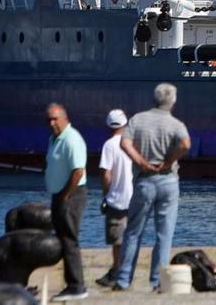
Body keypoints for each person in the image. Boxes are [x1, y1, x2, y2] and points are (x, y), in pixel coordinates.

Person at [113, 83, 191, 293]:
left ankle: (123, 280)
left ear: (153, 98)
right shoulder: (176, 124)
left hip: (144, 180)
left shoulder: (138, 120)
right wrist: (167, 162)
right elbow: (185, 144)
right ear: (172, 101)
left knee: (133, 232)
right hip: (168, 181)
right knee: (164, 234)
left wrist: (141, 162)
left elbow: (124, 143)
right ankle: (157, 281)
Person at [44, 103, 88, 302]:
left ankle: (77, 286)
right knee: (63, 239)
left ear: (65, 118)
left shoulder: (71, 139)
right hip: (60, 195)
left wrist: (65, 196)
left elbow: (78, 170)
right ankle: (71, 282)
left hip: (71, 195)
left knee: (69, 240)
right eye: (48, 120)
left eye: (55, 118)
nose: (51, 123)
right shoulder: (55, 139)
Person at [94, 109, 133, 288]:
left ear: (108, 126)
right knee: (131, 237)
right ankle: (126, 271)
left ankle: (117, 272)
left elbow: (106, 174)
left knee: (117, 241)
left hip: (116, 199)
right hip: (135, 198)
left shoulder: (109, 145)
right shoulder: (134, 141)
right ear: (125, 123)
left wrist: (105, 195)